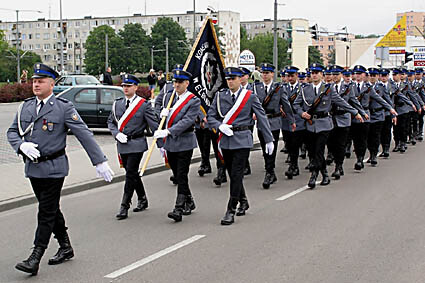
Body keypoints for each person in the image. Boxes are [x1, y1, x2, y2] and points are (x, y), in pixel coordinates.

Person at [7, 63, 114, 275]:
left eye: (41, 81)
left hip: (55, 168)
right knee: (52, 209)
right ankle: (65, 246)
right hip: (33, 169)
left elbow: (83, 134)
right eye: (34, 81)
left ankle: (35, 256)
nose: (36, 84)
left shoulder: (63, 107)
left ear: (52, 83)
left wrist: (100, 161)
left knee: (45, 211)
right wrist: (21, 146)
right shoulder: (25, 107)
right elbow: (12, 132)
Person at [207, 67, 274, 225]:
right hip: (225, 139)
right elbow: (210, 115)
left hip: (242, 139)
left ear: (240, 79)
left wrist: (269, 139)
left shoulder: (249, 97)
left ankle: (230, 209)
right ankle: (243, 200)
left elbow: (261, 117)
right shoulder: (219, 96)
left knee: (237, 174)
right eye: (228, 79)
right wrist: (219, 125)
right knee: (232, 173)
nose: (230, 81)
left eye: (233, 78)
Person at [293, 63, 364, 189]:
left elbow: (341, 102)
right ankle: (324, 173)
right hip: (310, 125)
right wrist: (302, 113)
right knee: (313, 151)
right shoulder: (305, 89)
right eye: (312, 73)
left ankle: (314, 175)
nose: (314, 75)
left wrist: (356, 113)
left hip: (324, 124)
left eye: (317, 73)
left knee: (319, 150)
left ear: (322, 74)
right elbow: (296, 104)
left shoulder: (328, 89)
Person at [107, 74, 160, 220]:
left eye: (129, 86)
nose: (125, 88)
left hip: (136, 144)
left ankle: (124, 205)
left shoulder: (143, 105)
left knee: (130, 173)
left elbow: (154, 125)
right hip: (122, 143)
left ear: (135, 87)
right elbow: (111, 122)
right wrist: (116, 134)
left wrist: (162, 144)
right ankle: (142, 198)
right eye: (124, 86)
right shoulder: (117, 103)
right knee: (133, 173)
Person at [154, 68, 201, 222]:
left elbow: (187, 121)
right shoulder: (170, 97)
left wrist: (168, 131)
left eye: (180, 82)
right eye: (175, 82)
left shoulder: (193, 100)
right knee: (178, 174)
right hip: (171, 143)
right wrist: (162, 112)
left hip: (185, 142)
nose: (176, 85)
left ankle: (178, 208)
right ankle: (189, 201)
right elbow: (159, 107)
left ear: (187, 83)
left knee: (181, 174)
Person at [254, 63, 295, 189]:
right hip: (262, 122)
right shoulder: (256, 88)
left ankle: (269, 172)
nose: (265, 75)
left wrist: (291, 120)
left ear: (272, 74)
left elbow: (286, 105)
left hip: (275, 121)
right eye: (263, 73)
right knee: (264, 148)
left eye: (267, 73)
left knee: (271, 147)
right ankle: (271, 171)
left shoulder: (279, 88)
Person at [366, 68, 397, 166]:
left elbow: (387, 101)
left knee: (376, 135)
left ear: (377, 77)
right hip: (367, 115)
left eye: (374, 76)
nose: (372, 77)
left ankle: (375, 154)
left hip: (378, 114)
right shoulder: (364, 87)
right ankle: (371, 153)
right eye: (370, 75)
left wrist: (392, 113)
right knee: (368, 137)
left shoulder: (381, 88)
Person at [282, 66, 305, 179]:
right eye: (288, 76)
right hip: (286, 120)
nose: (290, 78)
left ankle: (294, 165)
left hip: (298, 119)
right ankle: (293, 164)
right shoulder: (283, 88)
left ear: (297, 75)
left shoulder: (302, 88)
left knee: (296, 143)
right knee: (289, 143)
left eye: (292, 76)